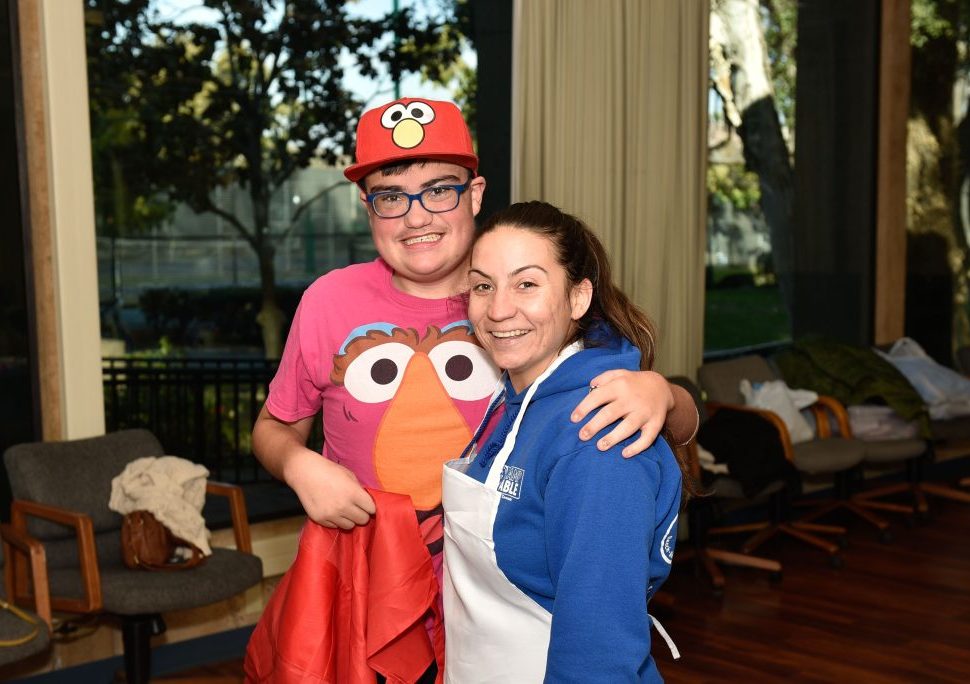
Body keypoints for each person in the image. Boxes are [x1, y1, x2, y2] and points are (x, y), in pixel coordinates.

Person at [250, 97, 696, 681]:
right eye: (391, 196)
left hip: (500, 600)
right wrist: (299, 466)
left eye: (439, 190)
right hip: (372, 600)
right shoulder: (327, 301)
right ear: (368, 207)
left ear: (475, 194)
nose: (416, 217)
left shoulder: (531, 311)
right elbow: (273, 426)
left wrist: (664, 394)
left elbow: (648, 412)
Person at [443, 201, 689, 683]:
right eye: (483, 286)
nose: (498, 310)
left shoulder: (597, 437)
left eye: (526, 284)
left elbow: (598, 650)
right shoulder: (513, 397)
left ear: (578, 298)